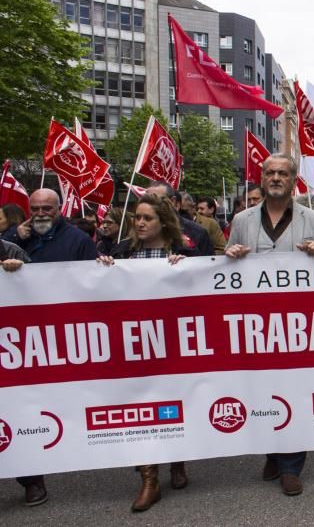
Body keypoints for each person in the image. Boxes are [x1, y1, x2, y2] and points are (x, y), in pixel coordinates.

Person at [226, 154, 314, 496]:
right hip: (256, 324)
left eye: (282, 173)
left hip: (298, 325)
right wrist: (233, 255)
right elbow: (225, 266)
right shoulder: (242, 219)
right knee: (261, 389)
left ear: (293, 179)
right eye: (270, 172)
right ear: (261, 177)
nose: (275, 178)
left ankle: (291, 465)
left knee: (295, 392)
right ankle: (272, 451)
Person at [96, 194, 192, 511]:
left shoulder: (183, 251)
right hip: (135, 346)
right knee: (141, 408)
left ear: (163, 221)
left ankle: (177, 460)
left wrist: (186, 268)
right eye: (137, 217)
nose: (139, 222)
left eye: (147, 218)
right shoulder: (121, 251)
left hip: (175, 344)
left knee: (176, 405)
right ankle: (149, 479)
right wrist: (103, 269)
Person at [1, 188, 97, 506]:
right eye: (36, 208)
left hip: (59, 331)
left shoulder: (78, 240)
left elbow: (92, 283)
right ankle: (31, 476)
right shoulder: (17, 238)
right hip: (20, 337)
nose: (41, 213)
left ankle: (42, 469)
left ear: (59, 209)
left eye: (48, 208)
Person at [146, 182, 213, 256]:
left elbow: (208, 264)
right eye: (146, 200)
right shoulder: (139, 233)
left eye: (156, 200)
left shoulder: (197, 233)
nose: (149, 206)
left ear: (173, 201)